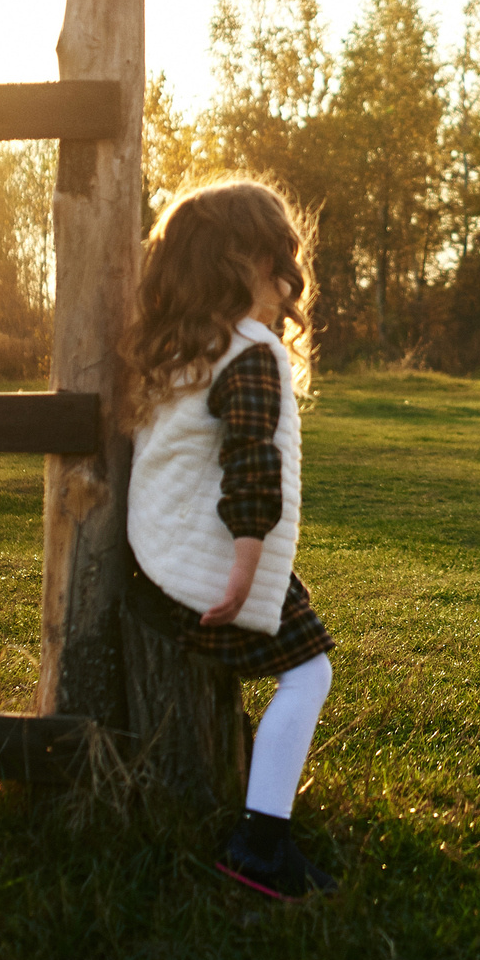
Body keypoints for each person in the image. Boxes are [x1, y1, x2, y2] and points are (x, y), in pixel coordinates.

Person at [120, 177, 339, 900]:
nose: (288, 278)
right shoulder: (251, 351)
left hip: (162, 559)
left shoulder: (182, 346)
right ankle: (260, 846)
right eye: (277, 258)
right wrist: (244, 573)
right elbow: (253, 464)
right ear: (239, 262)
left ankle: (259, 828)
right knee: (309, 673)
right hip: (215, 566)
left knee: (300, 665)